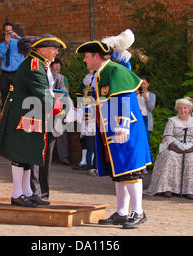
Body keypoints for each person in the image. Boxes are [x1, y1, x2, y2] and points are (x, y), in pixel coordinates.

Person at [74, 40, 152, 229]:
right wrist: (77, 114)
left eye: (86, 56)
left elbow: (124, 97)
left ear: (96, 56)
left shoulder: (114, 71)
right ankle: (122, 212)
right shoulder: (100, 75)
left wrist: (123, 126)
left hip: (125, 130)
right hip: (110, 130)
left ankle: (138, 212)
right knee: (119, 172)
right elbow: (98, 104)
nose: (84, 60)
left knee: (130, 170)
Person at [0, 34, 67, 207]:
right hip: (23, 114)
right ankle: (17, 194)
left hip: (30, 114)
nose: (56, 52)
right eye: (53, 48)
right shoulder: (34, 65)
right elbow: (43, 94)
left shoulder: (39, 63)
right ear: (42, 49)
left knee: (27, 153)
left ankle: (27, 192)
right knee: (20, 153)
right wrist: (63, 110)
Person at [145, 97, 193, 199]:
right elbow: (167, 136)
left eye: (185, 108)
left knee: (192, 158)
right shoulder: (172, 121)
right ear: (177, 109)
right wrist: (176, 144)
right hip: (174, 146)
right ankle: (167, 188)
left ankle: (190, 190)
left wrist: (190, 145)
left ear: (189, 109)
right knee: (170, 155)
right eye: (180, 108)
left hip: (191, 146)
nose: (182, 110)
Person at [30, 58, 69, 201]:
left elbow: (64, 99)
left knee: (46, 160)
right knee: (33, 157)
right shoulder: (34, 76)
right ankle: (34, 191)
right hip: (35, 120)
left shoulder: (59, 78)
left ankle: (44, 193)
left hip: (52, 123)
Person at [0, 21, 24, 108]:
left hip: (17, 73)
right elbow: (1, 55)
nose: (8, 33)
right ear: (3, 32)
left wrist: (18, 37)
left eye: (10, 31)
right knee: (4, 95)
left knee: (18, 94)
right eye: (6, 31)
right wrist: (7, 44)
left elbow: (29, 46)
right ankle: (5, 113)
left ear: (13, 31)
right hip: (5, 73)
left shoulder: (19, 43)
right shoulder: (1, 45)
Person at [49, 58, 70, 165]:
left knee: (61, 134)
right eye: (55, 66)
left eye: (59, 66)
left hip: (59, 107)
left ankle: (63, 157)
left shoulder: (62, 78)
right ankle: (52, 157)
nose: (57, 68)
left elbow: (66, 92)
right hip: (52, 107)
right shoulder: (49, 76)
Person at [136, 76, 155, 143]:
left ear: (148, 84)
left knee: (144, 141)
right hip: (136, 118)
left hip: (146, 119)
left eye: (144, 83)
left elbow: (151, 109)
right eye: (141, 83)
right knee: (136, 140)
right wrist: (135, 96)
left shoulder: (152, 95)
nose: (142, 86)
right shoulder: (135, 94)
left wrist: (146, 98)